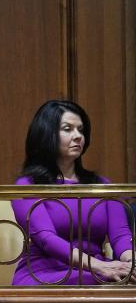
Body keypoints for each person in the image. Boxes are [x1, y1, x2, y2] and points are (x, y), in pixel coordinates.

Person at [11, 100, 135, 285]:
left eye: (81, 130)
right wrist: (99, 266)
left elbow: (121, 235)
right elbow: (46, 240)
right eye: (68, 129)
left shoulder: (102, 184)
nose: (78, 136)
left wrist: (131, 263)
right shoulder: (28, 185)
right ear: (46, 134)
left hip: (98, 269)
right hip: (44, 272)